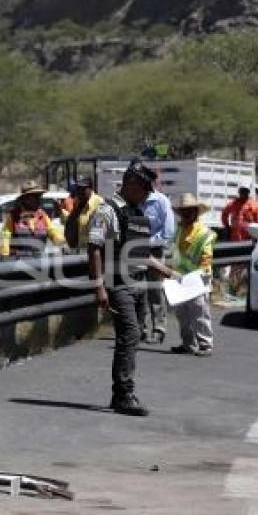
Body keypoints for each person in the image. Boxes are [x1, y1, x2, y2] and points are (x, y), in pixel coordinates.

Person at [88, 159, 158, 416]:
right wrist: (99, 289)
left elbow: (143, 255)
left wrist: (172, 274)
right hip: (118, 284)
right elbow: (94, 250)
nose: (145, 195)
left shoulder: (135, 212)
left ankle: (124, 392)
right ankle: (123, 394)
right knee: (128, 335)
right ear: (130, 185)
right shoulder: (107, 211)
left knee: (134, 336)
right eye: (143, 189)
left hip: (137, 283)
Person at [163, 194, 216, 357]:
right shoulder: (179, 230)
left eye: (188, 211)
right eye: (183, 211)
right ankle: (188, 344)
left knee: (199, 312)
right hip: (180, 278)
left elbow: (206, 259)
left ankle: (205, 344)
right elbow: (174, 252)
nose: (185, 214)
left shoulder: (205, 233)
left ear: (195, 212)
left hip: (198, 278)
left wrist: (202, 281)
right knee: (182, 314)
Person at [140, 175, 175, 344]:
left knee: (155, 290)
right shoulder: (134, 200)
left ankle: (158, 329)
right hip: (133, 252)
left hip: (154, 251)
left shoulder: (161, 201)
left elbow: (167, 232)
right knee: (138, 291)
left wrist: (147, 242)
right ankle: (141, 329)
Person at [0, 180, 65, 258]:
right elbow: (5, 235)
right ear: (24, 199)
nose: (38, 200)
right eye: (34, 197)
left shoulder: (42, 215)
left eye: (38, 197)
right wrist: (4, 253)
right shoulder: (13, 216)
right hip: (18, 263)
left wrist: (58, 239)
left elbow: (51, 230)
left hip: (39, 261)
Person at [61, 176, 103, 250]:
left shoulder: (99, 203)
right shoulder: (78, 204)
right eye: (78, 188)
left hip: (95, 252)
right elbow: (69, 228)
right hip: (80, 252)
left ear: (91, 188)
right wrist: (75, 210)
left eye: (83, 189)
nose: (80, 191)